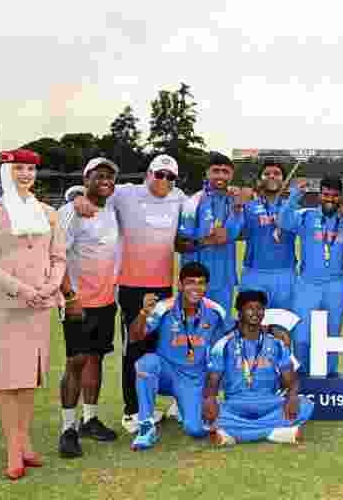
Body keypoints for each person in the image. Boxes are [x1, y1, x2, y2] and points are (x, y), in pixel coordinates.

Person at [70, 154, 186, 433]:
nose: (164, 181)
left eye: (170, 177)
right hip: (131, 286)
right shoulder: (125, 194)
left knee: (163, 347)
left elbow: (203, 202)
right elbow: (93, 191)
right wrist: (75, 196)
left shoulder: (179, 197)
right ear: (148, 174)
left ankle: (168, 402)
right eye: (159, 175)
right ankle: (132, 411)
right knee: (134, 348)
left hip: (163, 287)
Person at [0, 148, 66, 480]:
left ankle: (24, 445)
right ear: (6, 172)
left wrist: (51, 286)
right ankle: (14, 452)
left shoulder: (49, 213)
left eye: (30, 169)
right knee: (6, 381)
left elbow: (58, 257)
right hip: (4, 306)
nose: (25, 174)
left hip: (39, 308)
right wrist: (23, 289)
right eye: (18, 168)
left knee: (28, 380)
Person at [129, 262, 235, 451]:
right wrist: (144, 312)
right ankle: (146, 426)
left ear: (207, 286)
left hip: (194, 379)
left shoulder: (215, 311)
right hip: (166, 373)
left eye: (201, 283)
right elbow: (135, 336)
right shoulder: (164, 307)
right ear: (180, 284)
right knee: (146, 363)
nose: (196, 288)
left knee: (195, 429)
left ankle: (189, 406)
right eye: (190, 282)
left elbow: (232, 340)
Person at [56, 157, 121, 458]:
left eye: (110, 176)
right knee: (76, 362)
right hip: (78, 303)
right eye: (99, 176)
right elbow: (56, 257)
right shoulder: (71, 212)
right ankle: (68, 429)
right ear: (86, 178)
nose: (105, 180)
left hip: (106, 301)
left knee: (96, 359)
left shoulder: (111, 209)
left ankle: (89, 419)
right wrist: (69, 297)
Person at [204, 291, 315, 446]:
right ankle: (274, 432)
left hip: (269, 402)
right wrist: (209, 400)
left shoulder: (276, 343)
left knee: (305, 405)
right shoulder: (224, 343)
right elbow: (212, 380)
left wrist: (292, 395)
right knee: (203, 412)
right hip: (236, 403)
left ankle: (235, 434)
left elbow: (292, 379)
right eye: (250, 308)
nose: (256, 313)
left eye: (260, 308)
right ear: (239, 311)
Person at [279, 175, 343, 377]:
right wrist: (294, 196)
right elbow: (283, 221)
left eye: (335, 196)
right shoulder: (306, 216)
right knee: (302, 335)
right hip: (308, 285)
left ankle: (328, 375)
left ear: (341, 197)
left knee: (332, 333)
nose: (330, 199)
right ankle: (302, 376)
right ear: (320, 195)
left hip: (335, 285)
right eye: (326, 194)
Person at [176, 152, 246, 314]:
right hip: (196, 282)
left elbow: (236, 233)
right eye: (216, 170)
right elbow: (181, 244)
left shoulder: (234, 201)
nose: (220, 175)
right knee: (193, 328)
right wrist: (208, 241)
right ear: (207, 173)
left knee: (221, 325)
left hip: (224, 281)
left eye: (225, 171)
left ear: (231, 175)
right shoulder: (193, 202)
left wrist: (237, 208)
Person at [240, 160, 298, 310]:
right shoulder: (248, 206)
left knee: (283, 325)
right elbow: (238, 233)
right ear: (260, 180)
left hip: (285, 274)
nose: (272, 176)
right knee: (251, 324)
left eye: (277, 174)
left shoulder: (293, 207)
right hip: (254, 274)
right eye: (267, 173)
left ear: (285, 181)